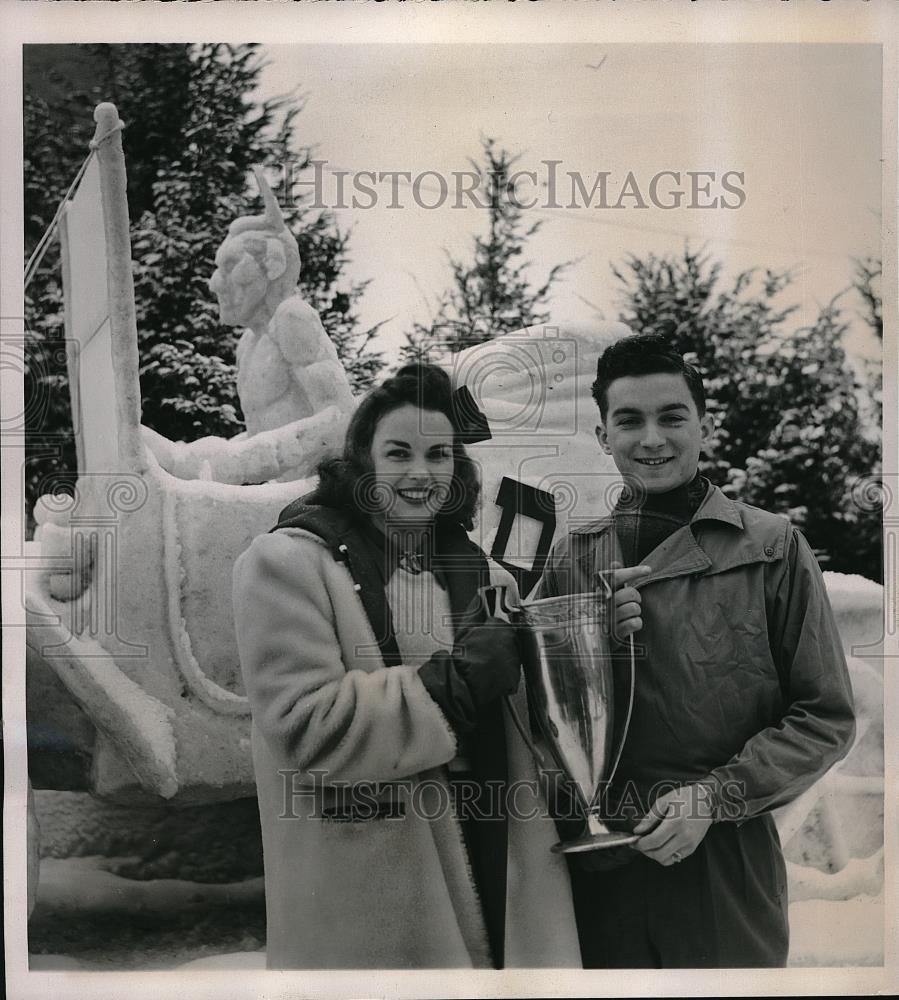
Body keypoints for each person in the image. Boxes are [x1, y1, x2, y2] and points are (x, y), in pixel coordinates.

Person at [232, 363, 580, 969]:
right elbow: (305, 728)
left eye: (438, 454)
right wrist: (456, 682)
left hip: (498, 864)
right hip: (372, 899)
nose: (421, 473)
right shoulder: (286, 564)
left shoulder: (488, 577)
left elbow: (531, 737)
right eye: (399, 453)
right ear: (362, 463)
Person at [534, 333, 856, 968]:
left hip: (726, 865)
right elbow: (537, 711)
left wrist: (714, 796)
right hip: (600, 870)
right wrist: (586, 644)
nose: (652, 438)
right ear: (604, 436)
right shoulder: (574, 558)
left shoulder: (771, 548)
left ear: (703, 425)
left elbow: (825, 716)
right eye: (629, 420)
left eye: (672, 416)